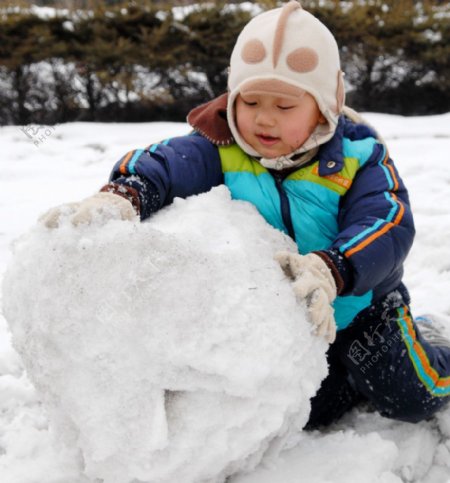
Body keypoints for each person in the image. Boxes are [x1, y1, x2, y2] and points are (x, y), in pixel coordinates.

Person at [40, 0, 450, 428]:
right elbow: (165, 163)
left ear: (328, 104)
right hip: (292, 316)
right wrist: (125, 194)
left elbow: (387, 223)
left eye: (286, 106)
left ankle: (433, 342)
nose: (264, 119)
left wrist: (333, 269)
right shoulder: (221, 148)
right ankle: (348, 380)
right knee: (310, 413)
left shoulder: (358, 158)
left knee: (407, 395)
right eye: (250, 101)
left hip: (362, 307)